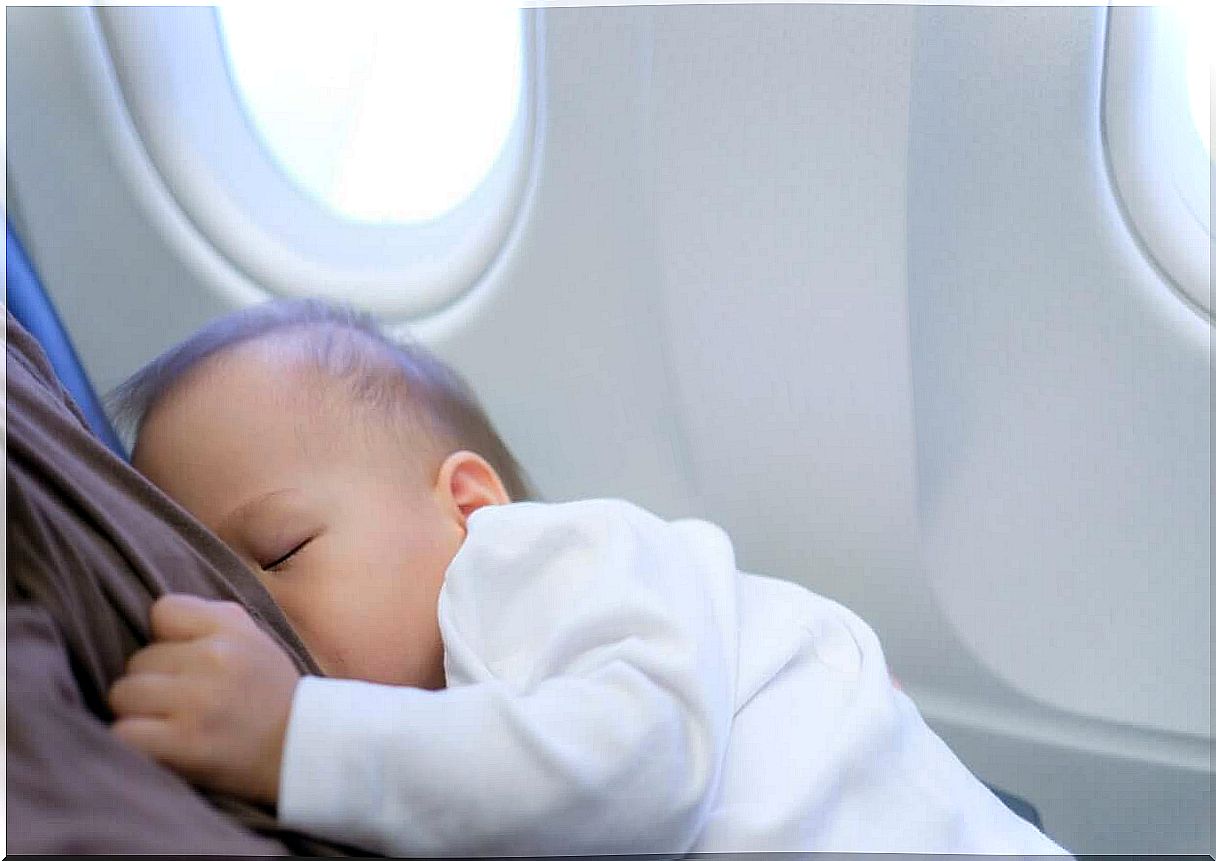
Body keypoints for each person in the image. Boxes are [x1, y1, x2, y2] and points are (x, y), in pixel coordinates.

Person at [105, 299, 1069, 856]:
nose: (256, 624)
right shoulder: (440, 741)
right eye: (220, 596)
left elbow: (638, 764)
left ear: (469, 505)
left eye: (277, 554)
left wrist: (294, 735)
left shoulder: (536, 562)